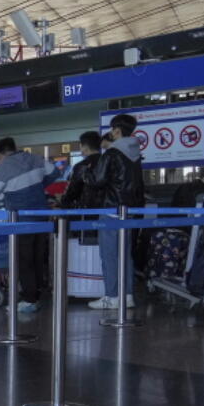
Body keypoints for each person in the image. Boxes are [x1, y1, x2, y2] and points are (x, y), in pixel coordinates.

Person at [0, 137, 60, 312]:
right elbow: (55, 173)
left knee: (24, 260)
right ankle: (37, 293)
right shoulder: (34, 157)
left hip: (21, 219)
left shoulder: (3, 167)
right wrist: (37, 186)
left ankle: (29, 300)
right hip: (41, 215)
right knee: (37, 256)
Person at [83, 113, 143, 309]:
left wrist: (85, 171)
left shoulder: (112, 154)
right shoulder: (135, 154)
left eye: (112, 130)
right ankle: (128, 295)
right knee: (126, 255)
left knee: (109, 255)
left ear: (117, 130)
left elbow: (97, 180)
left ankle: (111, 296)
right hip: (129, 210)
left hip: (111, 209)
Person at [61, 131, 105, 208]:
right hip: (108, 208)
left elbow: (73, 191)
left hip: (86, 209)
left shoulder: (81, 166)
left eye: (80, 145)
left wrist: (63, 201)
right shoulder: (109, 162)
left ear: (85, 147)